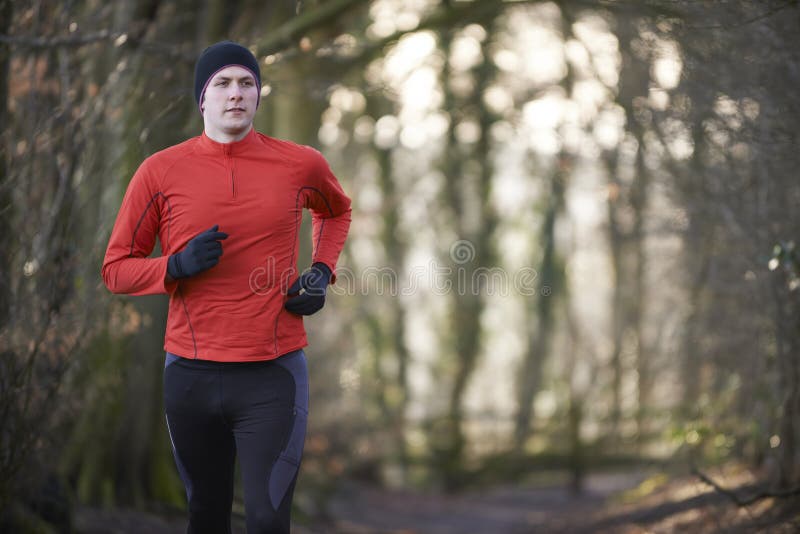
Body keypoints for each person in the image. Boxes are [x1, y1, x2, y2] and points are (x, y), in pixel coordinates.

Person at [101, 41, 351, 533]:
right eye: (222, 83)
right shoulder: (159, 171)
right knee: (206, 518)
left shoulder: (300, 164)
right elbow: (116, 269)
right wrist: (173, 266)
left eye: (246, 83)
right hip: (190, 376)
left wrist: (321, 271)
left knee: (266, 520)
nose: (235, 93)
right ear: (202, 98)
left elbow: (336, 210)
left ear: (258, 96)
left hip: (273, 375)